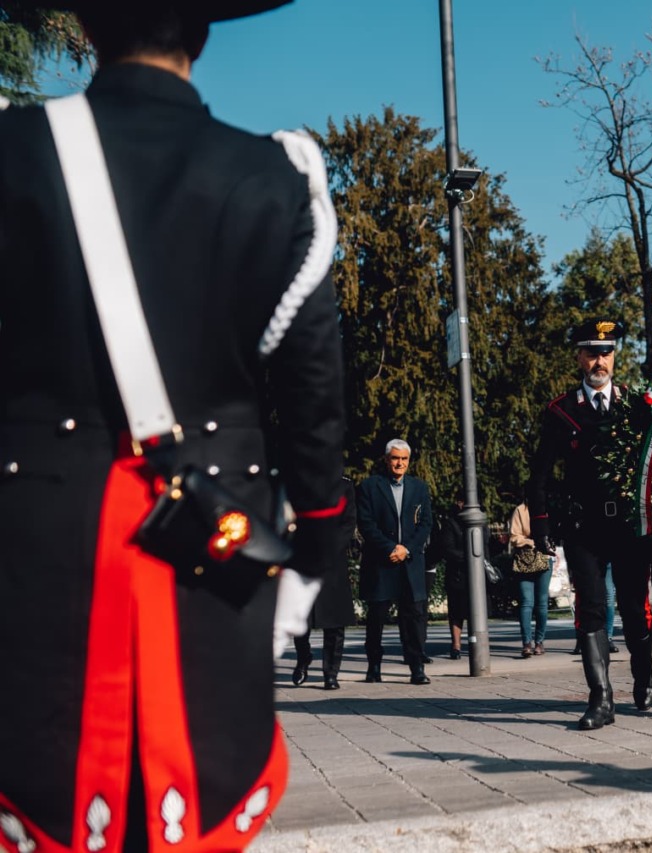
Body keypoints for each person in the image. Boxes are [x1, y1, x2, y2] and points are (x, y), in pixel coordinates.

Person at [0, 2, 347, 848]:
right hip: (213, 551)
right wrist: (316, 562)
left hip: (37, 560)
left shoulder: (12, 154)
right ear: (202, 27)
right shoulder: (276, 178)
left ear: (83, 23)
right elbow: (313, 403)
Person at [527, 319, 652, 730]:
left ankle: (643, 674)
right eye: (591, 352)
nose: (599, 360)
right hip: (585, 528)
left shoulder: (638, 405)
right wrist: (543, 526)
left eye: (607, 352)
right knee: (591, 607)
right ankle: (601, 698)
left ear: (615, 356)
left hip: (630, 528)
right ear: (579, 357)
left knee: (636, 608)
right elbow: (540, 475)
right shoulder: (561, 411)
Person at [356, 439, 434, 685]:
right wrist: (390, 548)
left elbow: (425, 524)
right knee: (376, 617)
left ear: (409, 461)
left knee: (412, 618)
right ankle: (374, 666)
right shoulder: (369, 487)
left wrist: (407, 549)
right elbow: (366, 524)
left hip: (410, 563)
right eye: (395, 458)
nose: (399, 463)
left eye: (404, 459)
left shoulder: (419, 487)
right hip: (381, 562)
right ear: (386, 459)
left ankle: (416, 667)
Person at [293, 478, 359, 689]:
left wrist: (329, 547)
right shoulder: (297, 481)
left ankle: (331, 673)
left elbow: (348, 522)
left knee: (335, 621)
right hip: (303, 557)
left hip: (333, 560)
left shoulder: (344, 486)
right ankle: (304, 658)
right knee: (301, 619)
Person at [510, 502, 552, 657]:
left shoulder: (547, 508)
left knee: (541, 603)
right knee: (526, 602)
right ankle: (526, 643)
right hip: (524, 560)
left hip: (543, 557)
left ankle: (539, 642)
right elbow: (515, 537)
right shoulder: (521, 510)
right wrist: (532, 542)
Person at [433, 490, 469, 660]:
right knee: (456, 611)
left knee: (475, 610)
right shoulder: (451, 523)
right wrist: (468, 557)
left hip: (474, 574)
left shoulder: (478, 521)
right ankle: (456, 644)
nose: (462, 505)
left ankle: (476, 641)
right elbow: (447, 549)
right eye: (461, 501)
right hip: (457, 574)